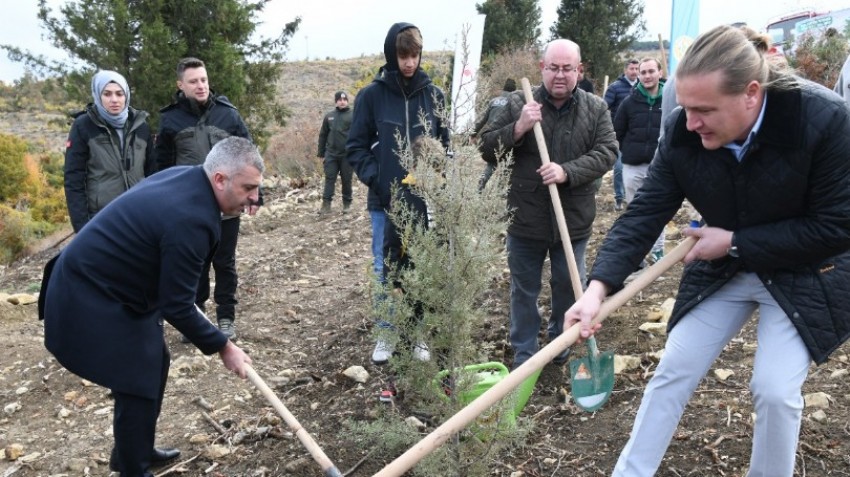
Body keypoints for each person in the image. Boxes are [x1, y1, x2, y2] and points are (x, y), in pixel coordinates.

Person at [566, 25, 850, 476]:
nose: (690, 121)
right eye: (685, 107)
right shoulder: (683, 130)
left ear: (751, 94)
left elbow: (838, 225)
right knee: (673, 370)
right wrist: (596, 290)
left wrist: (735, 241)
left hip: (805, 269)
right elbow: (645, 212)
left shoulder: (824, 120)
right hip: (726, 271)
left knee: (774, 390)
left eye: (704, 110)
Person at [42, 137, 260, 477]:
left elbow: (175, 291)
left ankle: (135, 449)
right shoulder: (192, 218)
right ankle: (133, 468)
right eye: (248, 188)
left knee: (155, 361)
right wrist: (223, 346)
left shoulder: (189, 179)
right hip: (88, 292)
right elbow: (177, 306)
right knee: (137, 374)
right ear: (220, 179)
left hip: (117, 285)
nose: (253, 198)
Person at [478, 39, 617, 369]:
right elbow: (486, 147)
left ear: (578, 71)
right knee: (523, 291)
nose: (560, 75)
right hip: (525, 220)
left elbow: (608, 152)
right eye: (553, 67)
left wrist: (566, 171)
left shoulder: (595, 108)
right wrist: (519, 127)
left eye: (567, 68)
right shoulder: (517, 103)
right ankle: (525, 352)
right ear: (542, 68)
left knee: (568, 287)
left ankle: (560, 341)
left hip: (573, 220)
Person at [347, 22, 451, 365]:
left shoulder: (434, 95)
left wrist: (438, 180)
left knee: (420, 264)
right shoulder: (370, 96)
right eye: (403, 55)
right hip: (385, 201)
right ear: (392, 54)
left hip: (425, 201)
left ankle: (419, 332)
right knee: (385, 265)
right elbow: (356, 148)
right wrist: (380, 182)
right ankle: (388, 332)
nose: (409, 63)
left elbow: (445, 146)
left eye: (415, 55)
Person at [154, 57, 258, 341]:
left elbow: (250, 155)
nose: (200, 86)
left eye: (203, 79)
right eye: (193, 81)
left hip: (229, 205)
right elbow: (160, 166)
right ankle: (196, 316)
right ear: (180, 85)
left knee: (224, 262)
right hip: (189, 208)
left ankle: (226, 318)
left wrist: (252, 195)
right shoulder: (170, 120)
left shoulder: (228, 115)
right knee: (194, 263)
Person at [64, 70, 155, 233]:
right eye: (107, 94)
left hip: (140, 215)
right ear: (98, 95)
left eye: (119, 94)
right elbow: (73, 179)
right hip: (101, 219)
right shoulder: (83, 125)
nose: (114, 100)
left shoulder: (141, 126)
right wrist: (82, 227)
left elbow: (153, 173)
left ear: (126, 95)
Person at [612, 57, 665, 263]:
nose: (647, 76)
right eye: (643, 72)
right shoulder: (629, 102)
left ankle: (658, 250)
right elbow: (618, 130)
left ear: (659, 73)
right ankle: (639, 253)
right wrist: (628, 149)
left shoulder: (670, 100)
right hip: (633, 166)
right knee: (635, 212)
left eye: (651, 71)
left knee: (659, 210)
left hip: (660, 167)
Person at [604, 58, 639, 211]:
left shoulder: (642, 87)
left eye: (637, 69)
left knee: (638, 168)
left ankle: (637, 198)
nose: (635, 72)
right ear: (626, 70)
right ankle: (619, 197)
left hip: (638, 134)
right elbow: (603, 107)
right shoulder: (615, 88)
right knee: (619, 167)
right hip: (619, 134)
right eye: (632, 69)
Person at [472, 78, 516, 190]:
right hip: (507, 137)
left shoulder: (493, 102)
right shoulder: (514, 102)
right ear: (514, 90)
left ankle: (482, 181)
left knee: (491, 163)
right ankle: (500, 190)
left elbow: (483, 120)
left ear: (504, 89)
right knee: (508, 162)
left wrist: (473, 133)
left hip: (491, 137)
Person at [317, 90, 354, 214]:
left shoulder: (353, 115)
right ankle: (326, 205)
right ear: (336, 101)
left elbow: (359, 134)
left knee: (346, 179)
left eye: (344, 99)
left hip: (347, 155)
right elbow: (323, 135)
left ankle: (347, 204)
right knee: (329, 178)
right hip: (331, 154)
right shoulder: (329, 116)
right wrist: (321, 153)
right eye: (339, 100)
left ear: (347, 101)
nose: (342, 102)